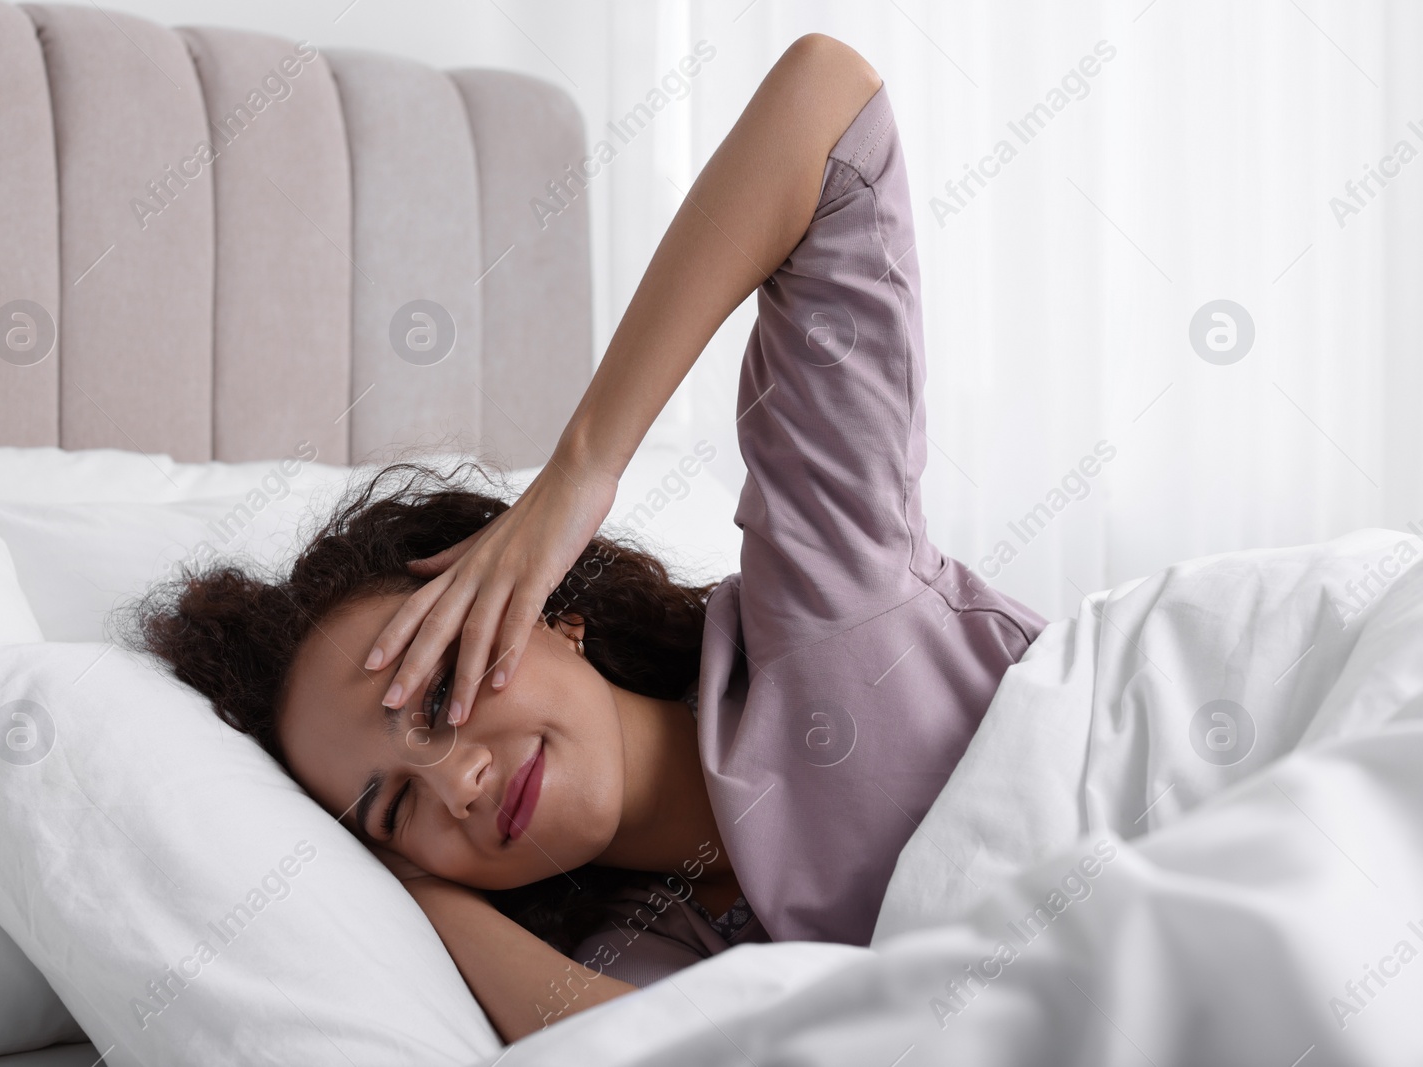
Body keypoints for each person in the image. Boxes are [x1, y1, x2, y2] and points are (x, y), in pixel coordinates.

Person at [131, 33, 1046, 1044]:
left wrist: (579, 472)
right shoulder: (626, 948)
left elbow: (828, 101)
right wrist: (424, 899)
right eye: (392, 808)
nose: (455, 782)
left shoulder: (823, 598)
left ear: (553, 612)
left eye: (439, 685)